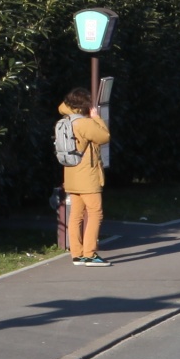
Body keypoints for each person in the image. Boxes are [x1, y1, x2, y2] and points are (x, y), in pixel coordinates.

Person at [55, 90, 111, 267]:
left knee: (76, 215)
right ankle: (90, 254)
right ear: (84, 105)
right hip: (87, 174)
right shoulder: (83, 123)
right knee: (95, 212)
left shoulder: (65, 119)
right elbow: (104, 137)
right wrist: (96, 118)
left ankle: (77, 254)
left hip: (71, 173)